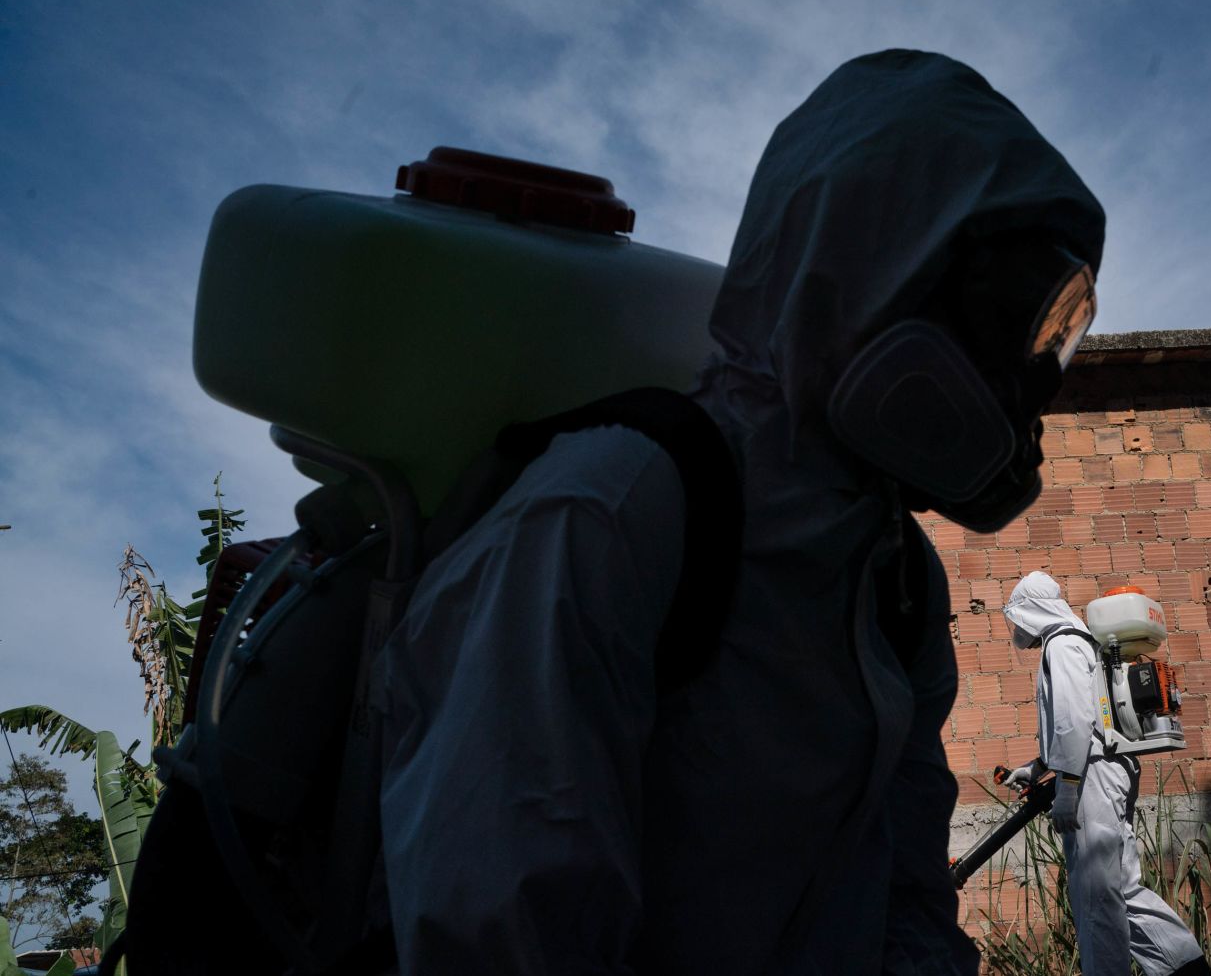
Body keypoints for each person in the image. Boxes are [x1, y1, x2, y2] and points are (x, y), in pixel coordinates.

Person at [372, 50, 1105, 974]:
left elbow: (906, 899)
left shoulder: (897, 582)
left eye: (1051, 340)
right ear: (867, 273)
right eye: (1007, 324)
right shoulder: (616, 512)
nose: (1025, 385)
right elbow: (503, 933)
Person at [1003, 572, 1211, 976]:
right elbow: (1087, 720)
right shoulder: (1084, 639)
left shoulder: (1061, 643)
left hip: (1090, 778)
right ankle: (1188, 968)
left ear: (1031, 609)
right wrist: (1038, 766)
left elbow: (1073, 720)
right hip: (1105, 767)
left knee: (1096, 897)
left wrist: (1067, 787)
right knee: (1122, 888)